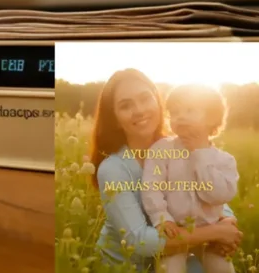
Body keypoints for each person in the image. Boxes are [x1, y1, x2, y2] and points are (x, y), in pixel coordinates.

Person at [89, 69, 243, 272]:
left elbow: (202, 190)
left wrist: (227, 220)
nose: (139, 110)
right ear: (115, 118)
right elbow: (139, 240)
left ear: (158, 102)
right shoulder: (113, 169)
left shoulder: (179, 146)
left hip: (179, 250)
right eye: (126, 106)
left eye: (145, 99)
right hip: (129, 265)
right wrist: (215, 232)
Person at [141, 84, 239, 273]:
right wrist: (162, 218)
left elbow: (218, 195)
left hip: (211, 233)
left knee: (223, 268)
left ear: (211, 117)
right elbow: (151, 187)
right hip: (176, 231)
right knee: (169, 269)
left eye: (190, 110)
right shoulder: (161, 150)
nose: (181, 117)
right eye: (175, 112)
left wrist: (199, 154)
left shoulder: (224, 160)